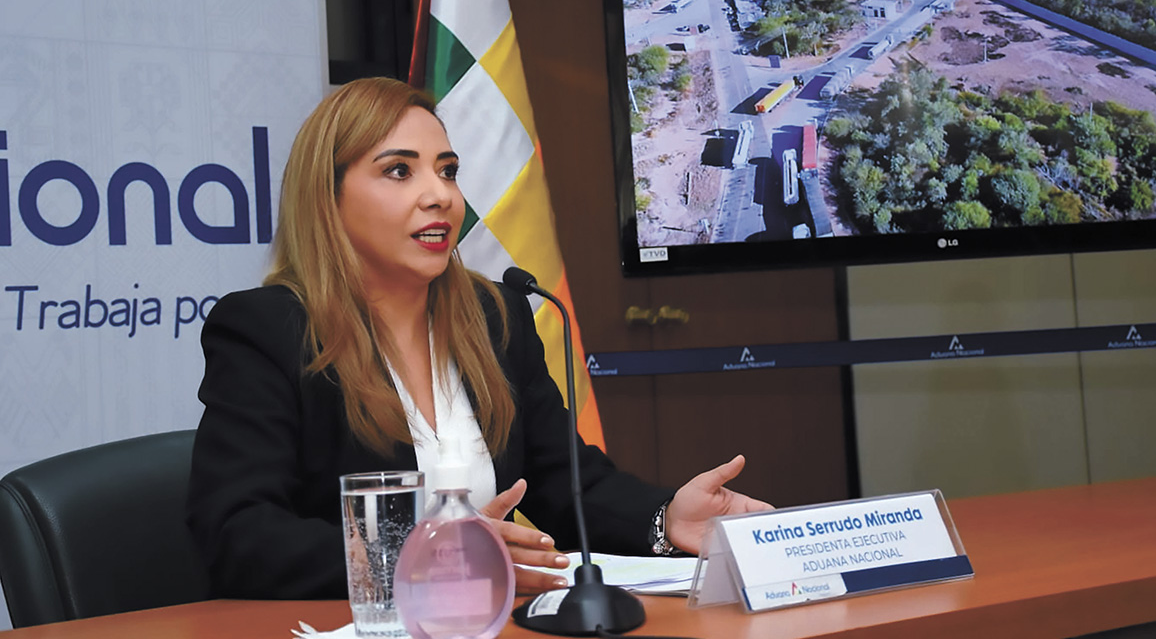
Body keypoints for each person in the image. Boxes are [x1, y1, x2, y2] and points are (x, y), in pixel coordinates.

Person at [185, 77, 771, 600]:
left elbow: (564, 483)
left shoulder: (497, 316)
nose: (440, 194)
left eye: (447, 170)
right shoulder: (268, 330)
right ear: (328, 198)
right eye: (399, 170)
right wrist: (430, 557)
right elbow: (240, 535)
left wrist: (665, 518)